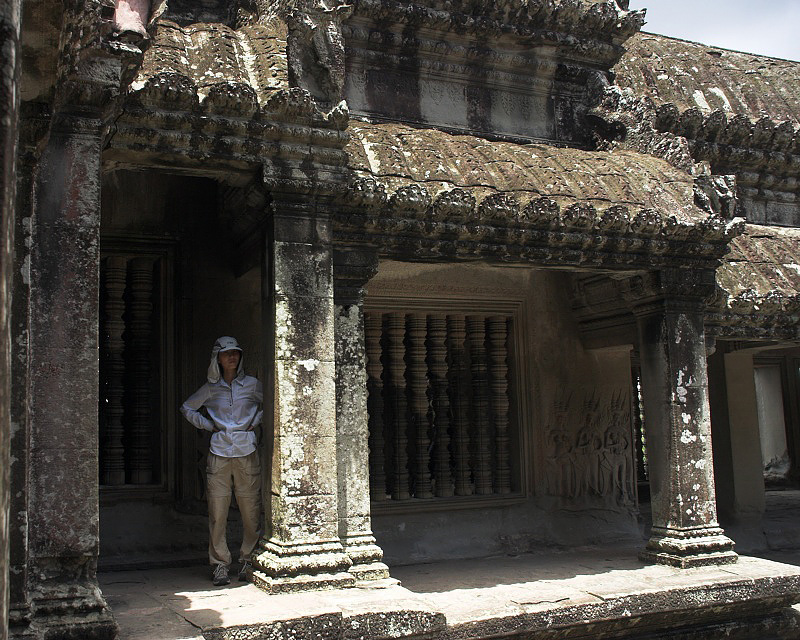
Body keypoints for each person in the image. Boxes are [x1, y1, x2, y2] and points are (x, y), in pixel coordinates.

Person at [181, 336, 263, 586]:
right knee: (217, 512)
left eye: (235, 352)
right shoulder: (210, 388)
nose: (232, 357)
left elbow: (270, 401)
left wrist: (255, 421)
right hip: (219, 454)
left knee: (251, 511)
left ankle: (248, 559)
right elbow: (187, 408)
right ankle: (219, 564)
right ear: (218, 358)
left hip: (247, 452)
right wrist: (208, 425)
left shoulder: (252, 385)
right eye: (227, 353)